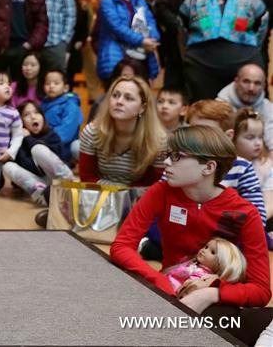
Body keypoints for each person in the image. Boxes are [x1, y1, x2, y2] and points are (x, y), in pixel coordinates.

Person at [110, 125, 271, 326]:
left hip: (218, 302)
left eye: (177, 156)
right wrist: (160, 281)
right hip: (169, 288)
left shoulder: (245, 212)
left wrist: (211, 294)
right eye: (168, 154)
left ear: (208, 167)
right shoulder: (161, 192)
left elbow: (261, 290)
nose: (166, 162)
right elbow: (121, 246)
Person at [180, 0, 269, 102]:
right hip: (202, 63)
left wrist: (253, 45)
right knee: (205, 108)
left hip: (242, 58)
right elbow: (182, 24)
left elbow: (262, 21)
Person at [187, 100, 267, 224]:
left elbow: (258, 218)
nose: (196, 138)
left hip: (226, 238)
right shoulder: (178, 162)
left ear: (228, 136)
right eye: (192, 131)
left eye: (206, 132)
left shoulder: (242, 168)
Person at [78, 76, 167, 186]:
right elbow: (86, 178)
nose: (119, 102)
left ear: (142, 108)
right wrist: (118, 190)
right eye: (115, 95)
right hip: (98, 195)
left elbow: (152, 185)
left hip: (139, 199)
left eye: (128, 98)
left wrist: (125, 194)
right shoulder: (92, 132)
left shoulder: (158, 140)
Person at [96, 0, 160, 85]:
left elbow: (151, 21)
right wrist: (141, 40)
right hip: (117, 54)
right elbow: (117, 27)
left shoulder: (139, 0)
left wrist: (153, 38)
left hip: (141, 54)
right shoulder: (108, 0)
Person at [2, 101, 74, 205]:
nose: (33, 117)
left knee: (38, 149)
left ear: (43, 117)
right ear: (21, 122)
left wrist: (29, 139)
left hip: (59, 179)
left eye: (36, 113)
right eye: (26, 115)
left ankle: (68, 183)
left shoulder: (52, 135)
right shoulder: (18, 142)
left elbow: (59, 161)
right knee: (7, 166)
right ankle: (42, 194)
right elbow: (26, 167)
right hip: (43, 183)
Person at [164, 238, 247, 296]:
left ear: (221, 264)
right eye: (206, 247)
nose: (204, 250)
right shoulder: (193, 264)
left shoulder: (202, 277)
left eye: (212, 252)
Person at [217, 64, 273, 148]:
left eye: (257, 83)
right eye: (246, 81)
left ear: (264, 86)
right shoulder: (218, 107)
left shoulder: (269, 108)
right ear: (236, 82)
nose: (251, 88)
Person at [40, 69, 84, 162]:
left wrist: (42, 141)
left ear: (66, 88)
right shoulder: (43, 104)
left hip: (63, 150)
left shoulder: (71, 106)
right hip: (43, 145)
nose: (51, 86)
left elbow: (65, 134)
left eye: (56, 83)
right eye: (48, 83)